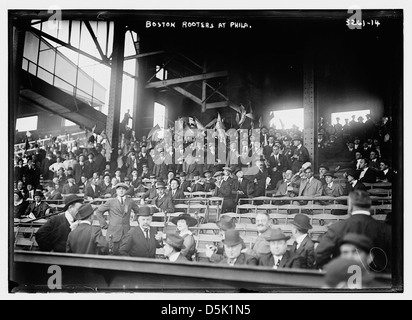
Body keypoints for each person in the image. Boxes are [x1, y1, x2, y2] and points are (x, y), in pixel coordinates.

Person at [315, 190, 391, 272]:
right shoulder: (386, 229)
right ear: (369, 206)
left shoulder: (337, 227)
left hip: (344, 277)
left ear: (350, 206)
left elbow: (320, 254)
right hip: (376, 281)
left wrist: (335, 270)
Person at [95, 182, 140, 255]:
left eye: (123, 189)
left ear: (126, 191)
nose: (121, 191)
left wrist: (135, 218)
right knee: (113, 254)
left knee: (125, 253)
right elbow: (98, 211)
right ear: (116, 191)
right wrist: (104, 224)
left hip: (126, 232)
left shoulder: (130, 201)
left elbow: (138, 211)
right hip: (113, 233)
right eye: (119, 189)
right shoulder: (111, 202)